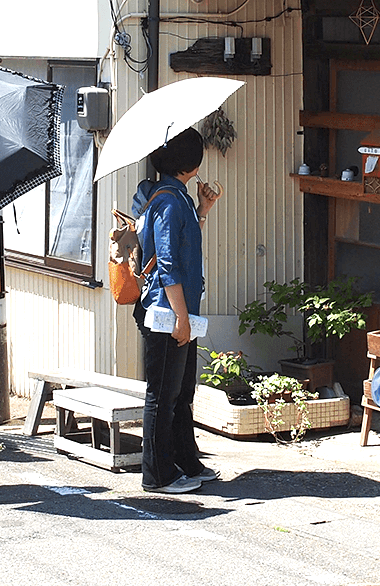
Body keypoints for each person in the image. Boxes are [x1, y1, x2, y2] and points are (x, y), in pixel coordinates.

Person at [133, 127, 222, 494]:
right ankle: (157, 474)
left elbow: (183, 246)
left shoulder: (176, 196)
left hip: (178, 309)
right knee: (162, 395)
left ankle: (186, 461)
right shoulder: (168, 201)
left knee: (182, 393)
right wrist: (182, 319)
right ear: (192, 162)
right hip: (166, 312)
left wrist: (203, 209)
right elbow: (168, 263)